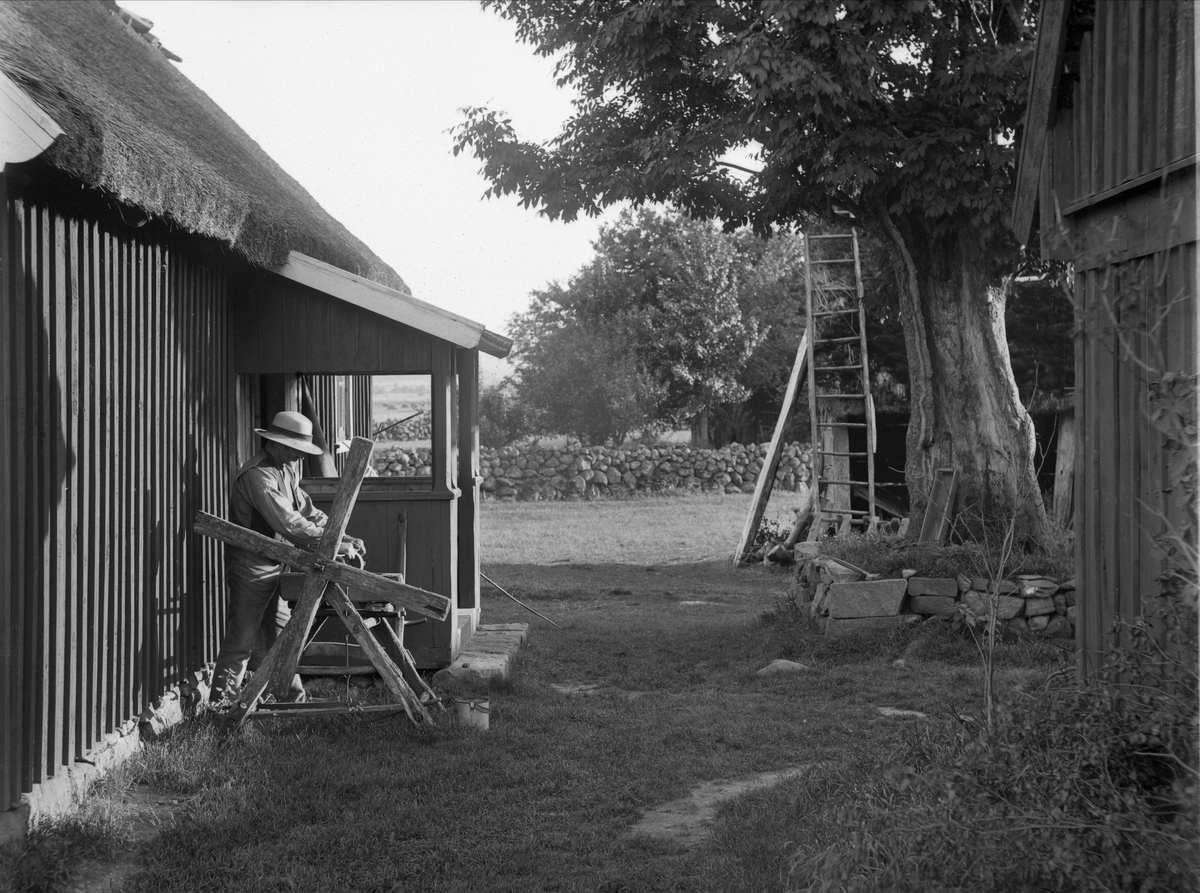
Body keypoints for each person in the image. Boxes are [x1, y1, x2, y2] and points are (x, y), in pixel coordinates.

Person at [210, 410, 365, 704]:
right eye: (296, 451)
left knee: (282, 635)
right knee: (242, 639)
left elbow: (305, 511)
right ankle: (222, 705)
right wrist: (330, 543)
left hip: (276, 562)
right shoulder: (258, 475)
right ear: (278, 443)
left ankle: (291, 697)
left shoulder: (285, 469)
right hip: (251, 566)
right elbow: (290, 524)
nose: (299, 458)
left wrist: (340, 536)